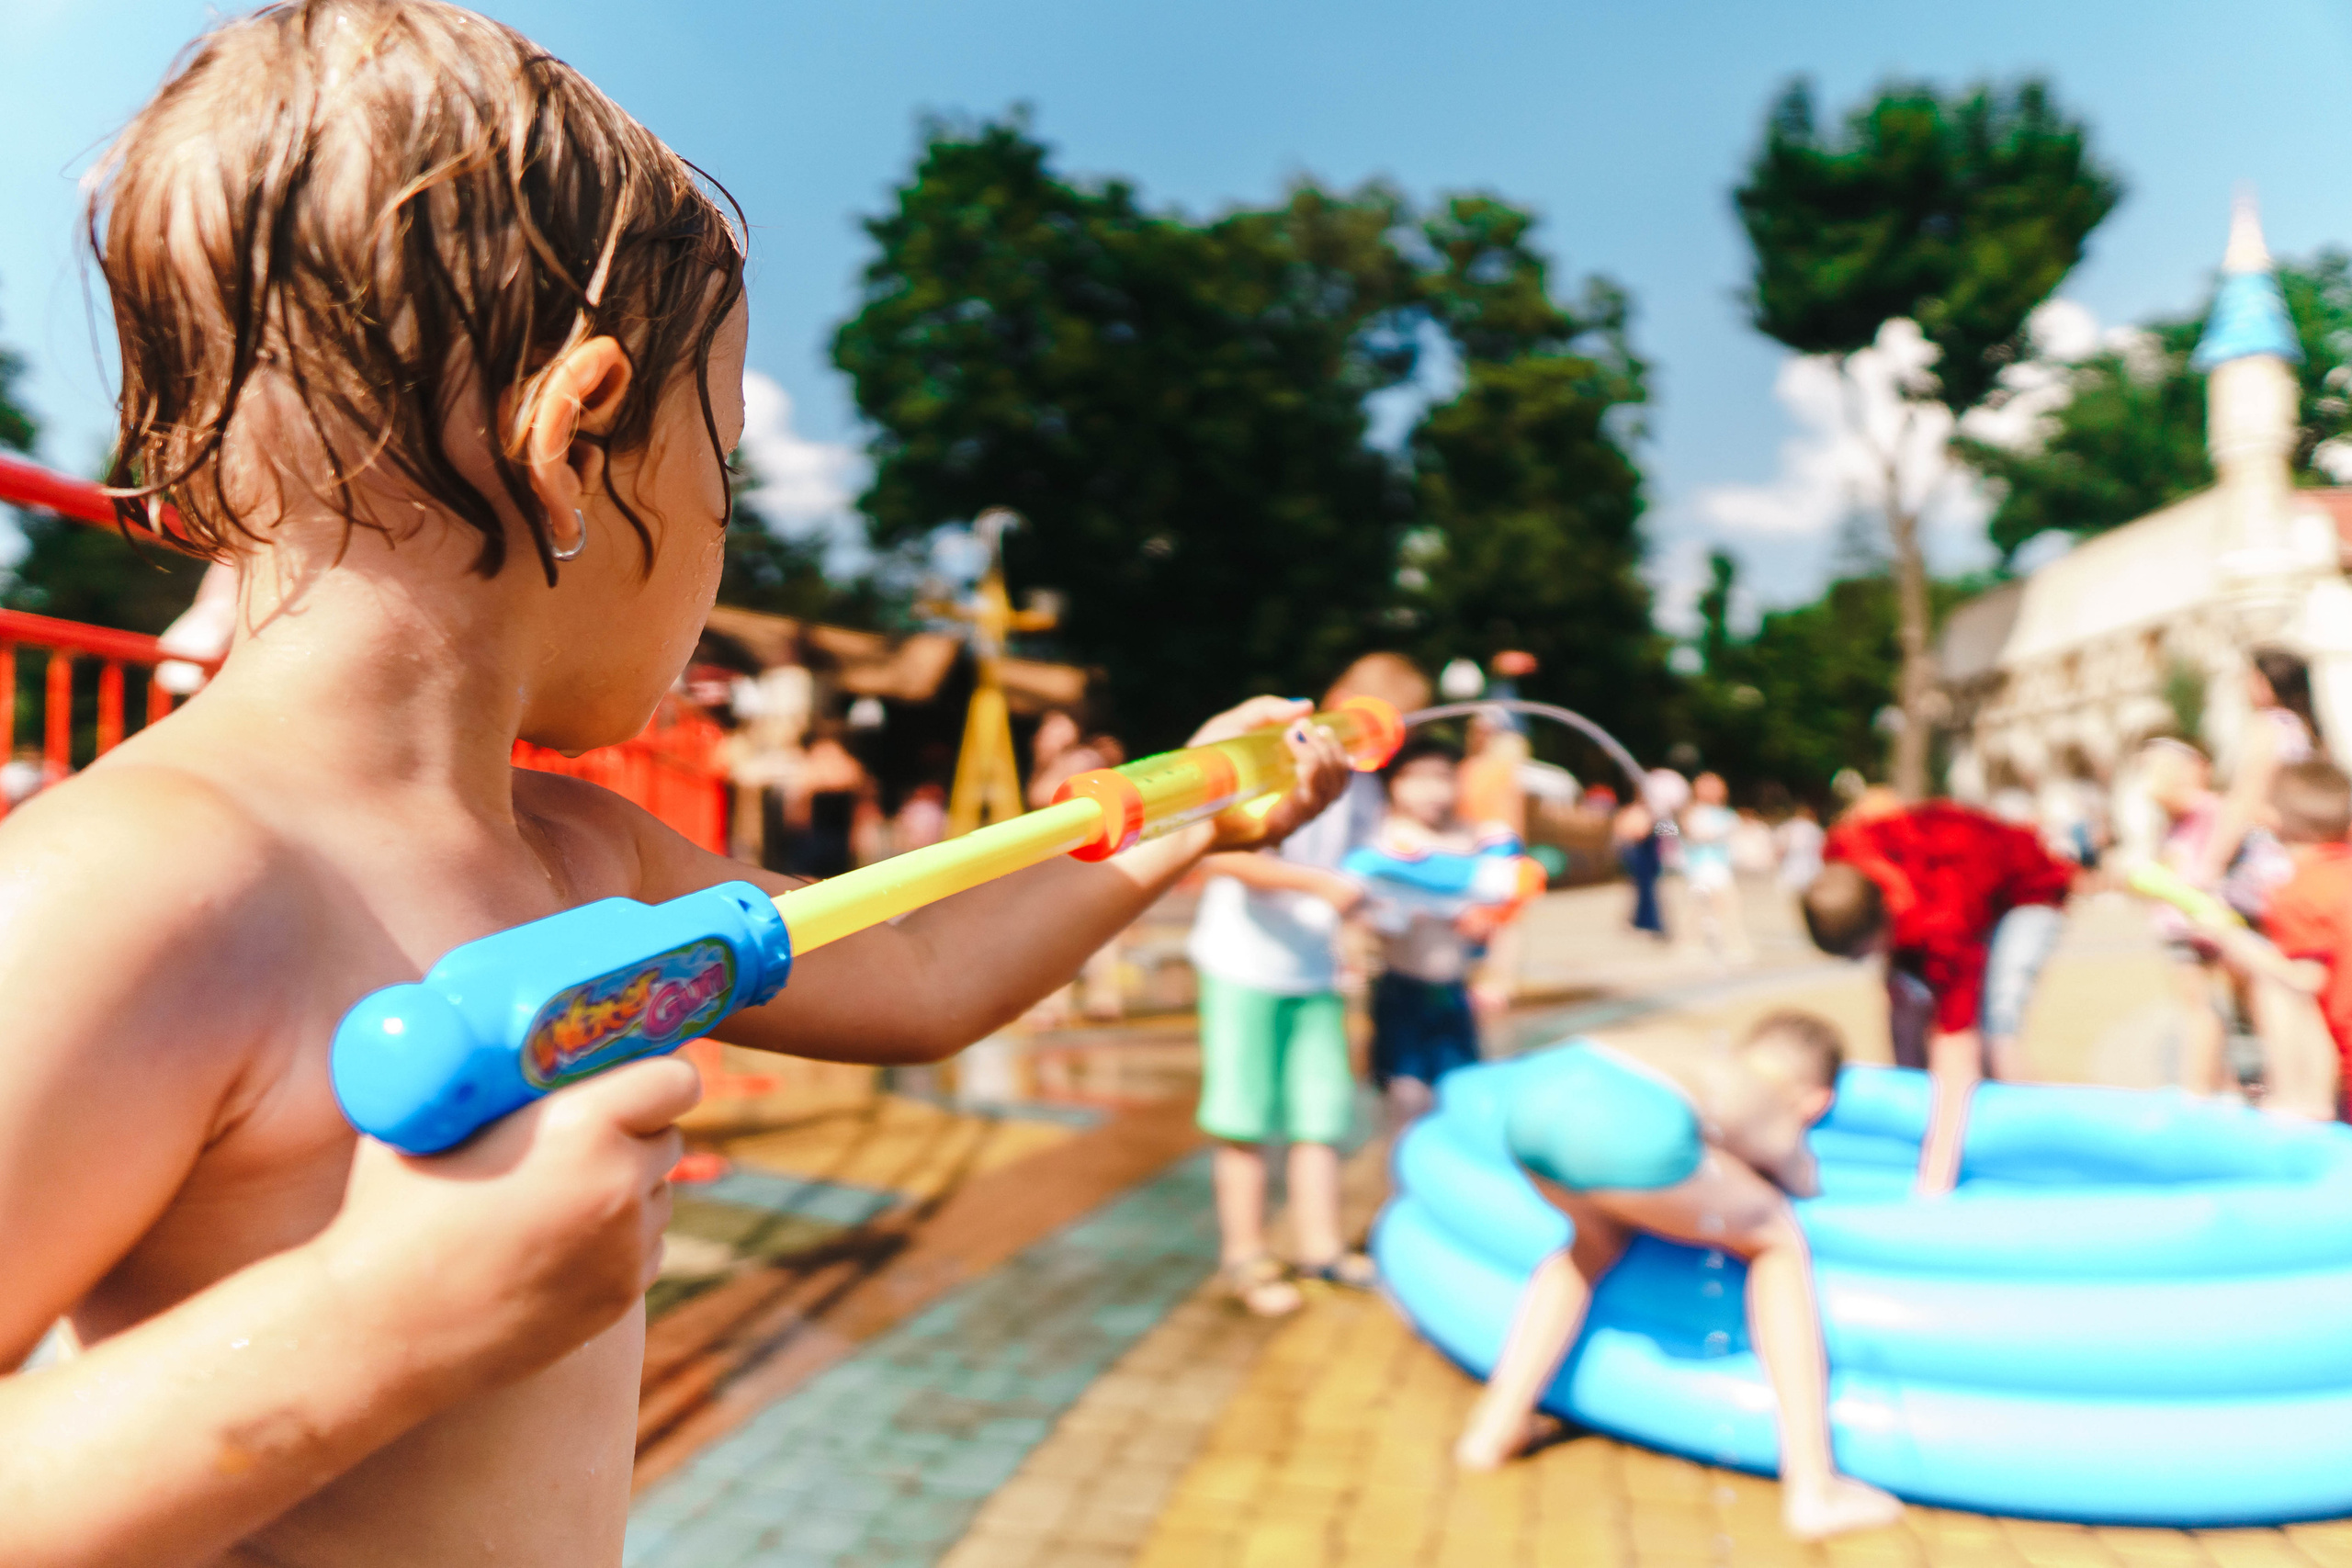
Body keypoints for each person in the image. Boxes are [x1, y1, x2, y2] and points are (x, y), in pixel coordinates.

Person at [0, 10, 1356, 1564]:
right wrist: (364, 1323)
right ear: (576, 438)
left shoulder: (588, 860)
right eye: (725, 469)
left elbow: (915, 968)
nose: (727, 540)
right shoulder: (138, 889)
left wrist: (1193, 815)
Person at [1452, 1012, 1902, 1541]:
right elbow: (1803, 1183)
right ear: (1816, 1101)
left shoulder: (1702, 1057)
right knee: (1780, 1239)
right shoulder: (1774, 1102)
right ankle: (1813, 1489)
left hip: (1535, 1095)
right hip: (1628, 1124)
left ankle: (1492, 1430)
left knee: (1592, 1243)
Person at [1184, 653, 1429, 1316]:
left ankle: (1319, 1246)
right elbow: (1220, 854)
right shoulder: (1273, 761)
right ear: (1341, 700)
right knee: (1242, 1117)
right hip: (1243, 964)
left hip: (1315, 968)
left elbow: (1370, 868)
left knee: (1319, 1115)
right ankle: (1245, 1253)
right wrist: (1321, 887)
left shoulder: (1366, 788)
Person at [1802, 797, 2075, 1195]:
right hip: (1935, 884)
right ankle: (1920, 1129)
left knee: (1996, 1035)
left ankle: (2050, 1157)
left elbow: (1956, 1046)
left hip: (2028, 888)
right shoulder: (1843, 862)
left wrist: (1935, 1177)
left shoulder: (1944, 924)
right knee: (1903, 999)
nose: (1866, 963)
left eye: (1866, 952)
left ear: (1885, 920)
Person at [1362, 736, 1510, 1124]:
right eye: (1415, 776)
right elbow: (1358, 910)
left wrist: (1497, 974)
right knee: (1405, 1098)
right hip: (1402, 988)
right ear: (1392, 783)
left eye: (1443, 776)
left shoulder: (1474, 840)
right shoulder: (1382, 841)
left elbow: (1508, 911)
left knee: (1463, 1094)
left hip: (1455, 991)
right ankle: (1405, 1181)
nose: (1430, 788)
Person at [2249, 760, 2352, 1119]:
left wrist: (2231, 940)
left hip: (2346, 1072)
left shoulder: (2298, 892)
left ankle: (2301, 1104)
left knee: (2274, 978)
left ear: (2272, 820)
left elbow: (2305, 981)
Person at [2198, 647, 2324, 912]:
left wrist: (2212, 863)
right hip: (2298, 853)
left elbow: (2245, 798)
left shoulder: (2267, 728)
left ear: (2264, 683)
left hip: (2262, 857)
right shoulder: (2305, 730)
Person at [1679, 772, 1752, 965]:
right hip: (1700, 868)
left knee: (1729, 906)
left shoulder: (1726, 814)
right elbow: (1669, 830)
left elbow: (1736, 836)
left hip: (1721, 867)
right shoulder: (1690, 813)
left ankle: (1735, 945)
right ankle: (1691, 944)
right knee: (1697, 908)